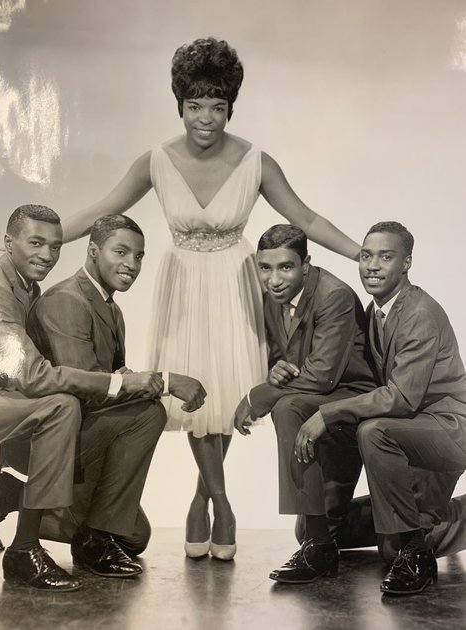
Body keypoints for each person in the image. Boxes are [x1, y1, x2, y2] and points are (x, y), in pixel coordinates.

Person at [62, 37, 361, 559]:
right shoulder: (154, 160)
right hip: (183, 287)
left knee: (225, 398)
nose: (206, 118)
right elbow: (101, 209)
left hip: (235, 282)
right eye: (195, 106)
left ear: (230, 107)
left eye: (218, 107)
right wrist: (41, 238)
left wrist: (361, 253)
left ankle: (203, 499)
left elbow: (306, 218)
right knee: (194, 395)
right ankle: (222, 502)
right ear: (178, 105)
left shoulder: (256, 160)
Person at [0, 205, 157, 591]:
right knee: (60, 406)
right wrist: (128, 383)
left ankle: (10, 495)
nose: (47, 256)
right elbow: (36, 377)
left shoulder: (25, 285)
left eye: (54, 246)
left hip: (0, 398)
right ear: (8, 243)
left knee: (136, 536)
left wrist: (121, 378)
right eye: (36, 243)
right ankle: (24, 549)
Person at [16, 214, 205, 578]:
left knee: (136, 538)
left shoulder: (111, 308)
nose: (131, 264)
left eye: (139, 256)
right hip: (52, 441)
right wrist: (164, 381)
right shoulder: (67, 301)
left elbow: (113, 379)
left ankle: (33, 507)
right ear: (92, 251)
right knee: (149, 413)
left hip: (87, 436)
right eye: (121, 252)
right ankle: (86, 534)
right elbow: (86, 389)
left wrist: (127, 379)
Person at [296, 221, 466, 596]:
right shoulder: (375, 312)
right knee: (315, 530)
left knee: (372, 430)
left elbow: (400, 398)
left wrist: (329, 413)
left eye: (385, 257)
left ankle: (419, 549)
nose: (372, 265)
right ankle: (408, 530)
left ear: (406, 263)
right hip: (407, 435)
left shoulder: (420, 312)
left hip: (448, 431)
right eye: (366, 255)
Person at [233, 224, 375, 582]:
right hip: (314, 396)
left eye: (286, 267)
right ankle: (318, 539)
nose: (274, 279)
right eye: (265, 268)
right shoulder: (271, 298)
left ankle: (319, 548)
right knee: (318, 525)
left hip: (353, 398)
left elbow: (323, 376)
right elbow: (285, 358)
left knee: (286, 407)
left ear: (306, 264)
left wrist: (258, 395)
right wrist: (275, 368)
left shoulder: (334, 296)